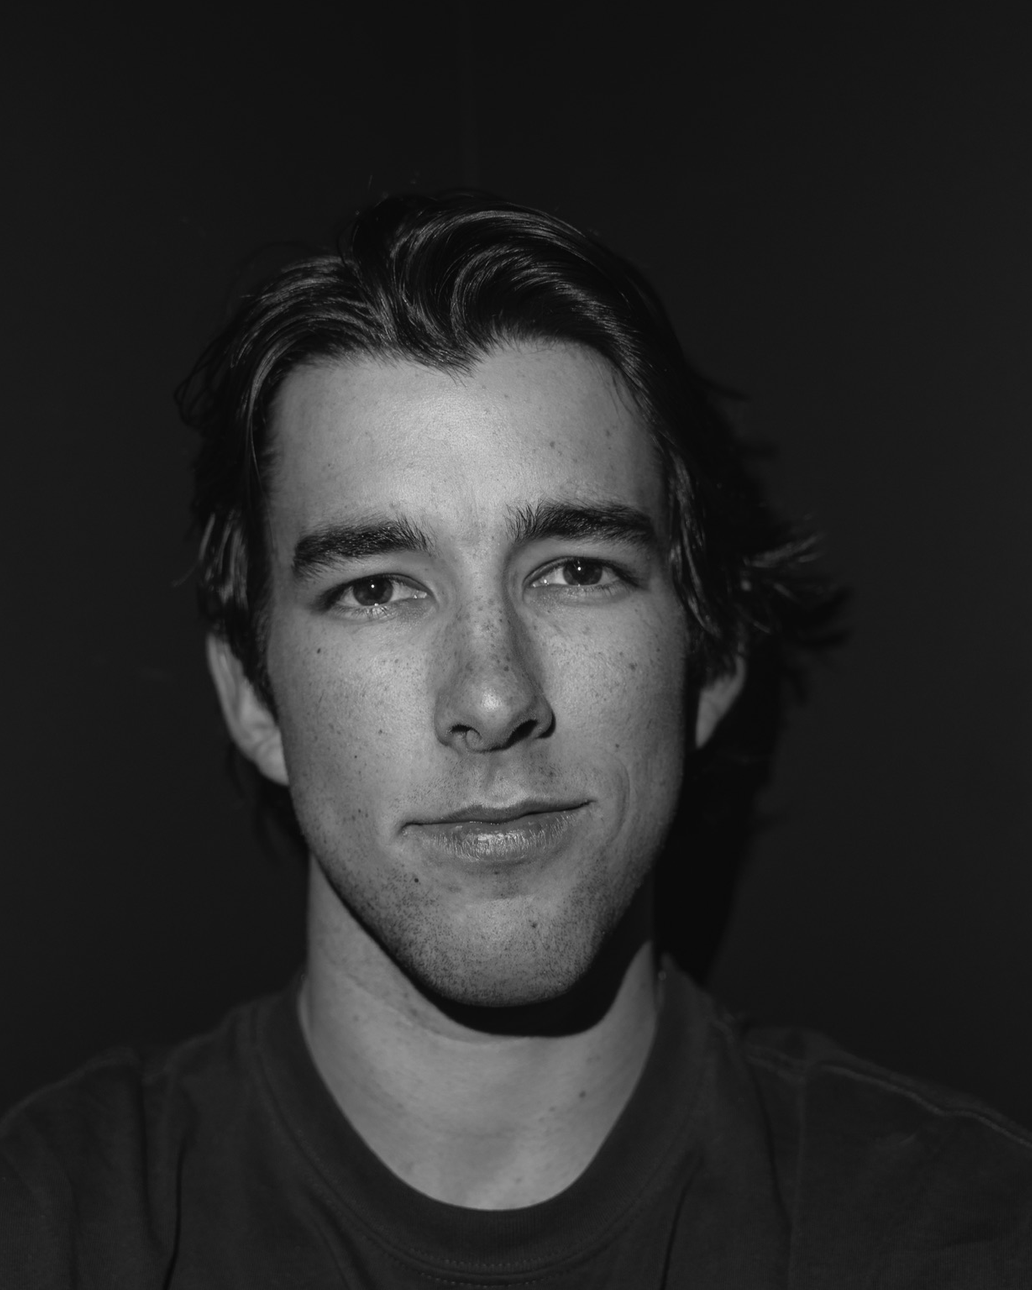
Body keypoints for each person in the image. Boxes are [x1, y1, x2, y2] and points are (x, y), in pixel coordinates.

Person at [2, 191, 1030, 1287]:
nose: (493, 699)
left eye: (577, 572)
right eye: (377, 588)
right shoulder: (49, 1229)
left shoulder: (956, 1231)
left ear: (712, 662)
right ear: (254, 699)